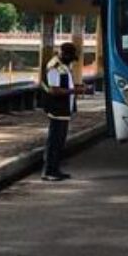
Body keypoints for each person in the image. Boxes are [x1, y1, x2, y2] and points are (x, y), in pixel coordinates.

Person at [40, 41, 78, 181]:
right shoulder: (54, 67)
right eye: (70, 57)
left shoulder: (64, 66)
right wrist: (75, 90)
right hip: (56, 108)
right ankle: (49, 171)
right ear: (63, 54)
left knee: (60, 141)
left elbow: (65, 84)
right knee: (54, 141)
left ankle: (55, 169)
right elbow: (54, 90)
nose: (71, 60)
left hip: (64, 109)